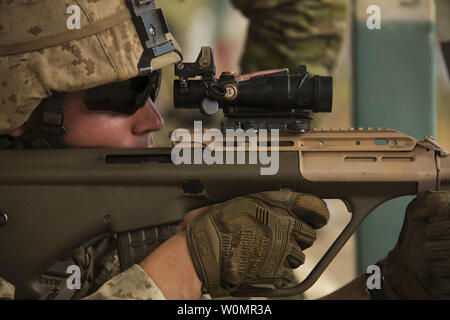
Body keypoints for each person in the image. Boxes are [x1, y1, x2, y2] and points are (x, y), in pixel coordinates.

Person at [0, 0, 448, 300]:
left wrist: (394, 286)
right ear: (20, 110)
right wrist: (188, 264)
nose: (153, 120)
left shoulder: (147, 228)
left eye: (151, 87)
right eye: (123, 96)